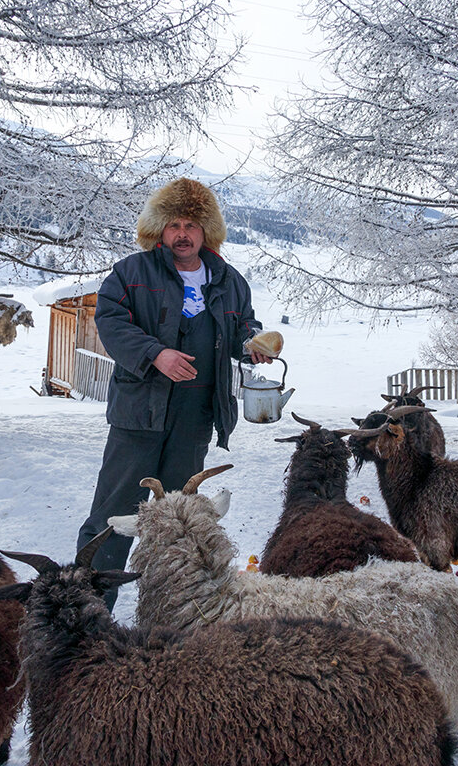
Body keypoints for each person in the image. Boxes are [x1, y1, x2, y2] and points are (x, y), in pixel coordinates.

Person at [75, 177, 272, 610]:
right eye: (174, 224)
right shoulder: (131, 272)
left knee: (180, 519)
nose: (183, 234)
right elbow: (110, 322)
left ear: (207, 232)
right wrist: (155, 354)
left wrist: (253, 343)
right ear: (159, 230)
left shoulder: (229, 281)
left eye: (192, 225)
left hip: (196, 418)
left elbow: (243, 327)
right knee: (111, 515)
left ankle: (175, 612)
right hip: (138, 414)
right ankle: (89, 616)